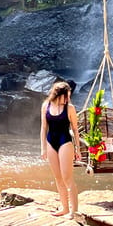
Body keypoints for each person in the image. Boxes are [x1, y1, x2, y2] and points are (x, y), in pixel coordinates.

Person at [40, 80, 81, 217]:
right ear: (58, 94)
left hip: (65, 143)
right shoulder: (45, 106)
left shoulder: (70, 108)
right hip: (51, 142)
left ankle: (73, 210)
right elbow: (43, 128)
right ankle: (64, 208)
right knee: (58, 178)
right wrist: (43, 148)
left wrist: (78, 150)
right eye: (66, 96)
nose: (68, 99)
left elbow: (75, 129)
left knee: (67, 178)